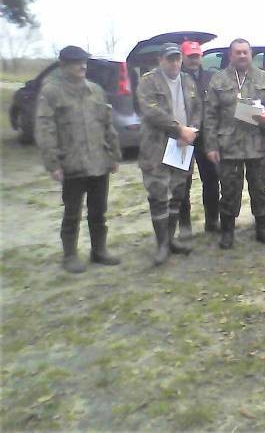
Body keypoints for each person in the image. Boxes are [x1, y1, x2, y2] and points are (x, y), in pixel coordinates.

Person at [35, 46, 121, 273]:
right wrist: (53, 163)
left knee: (98, 211)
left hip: (99, 162)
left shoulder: (95, 91)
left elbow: (107, 125)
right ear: (63, 65)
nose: (82, 66)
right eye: (76, 62)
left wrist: (114, 155)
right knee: (72, 213)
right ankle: (70, 255)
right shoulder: (52, 92)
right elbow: (45, 129)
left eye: (84, 62)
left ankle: (99, 250)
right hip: (72, 163)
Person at [204, 38, 265, 250]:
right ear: (231, 55)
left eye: (245, 52)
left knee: (260, 189)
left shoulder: (264, 77)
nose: (241, 56)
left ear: (251, 54)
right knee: (229, 190)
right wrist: (211, 145)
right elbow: (210, 115)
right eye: (237, 52)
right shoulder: (218, 80)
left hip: (258, 143)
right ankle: (227, 232)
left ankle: (262, 229)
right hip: (229, 146)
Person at [137, 43, 201, 265]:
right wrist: (178, 129)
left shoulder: (188, 80)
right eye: (170, 59)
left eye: (177, 59)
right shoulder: (148, 81)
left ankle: (171, 240)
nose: (174, 63)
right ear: (160, 60)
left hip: (182, 144)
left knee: (177, 193)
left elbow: (197, 108)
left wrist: (192, 130)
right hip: (157, 146)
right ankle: (162, 244)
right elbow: (152, 111)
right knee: (158, 195)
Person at [178, 40, 220, 237]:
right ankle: (184, 226)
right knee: (181, 182)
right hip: (182, 136)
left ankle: (212, 221)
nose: (194, 60)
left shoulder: (212, 77)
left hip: (206, 136)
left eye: (197, 56)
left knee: (211, 180)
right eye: (190, 56)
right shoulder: (175, 78)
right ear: (183, 57)